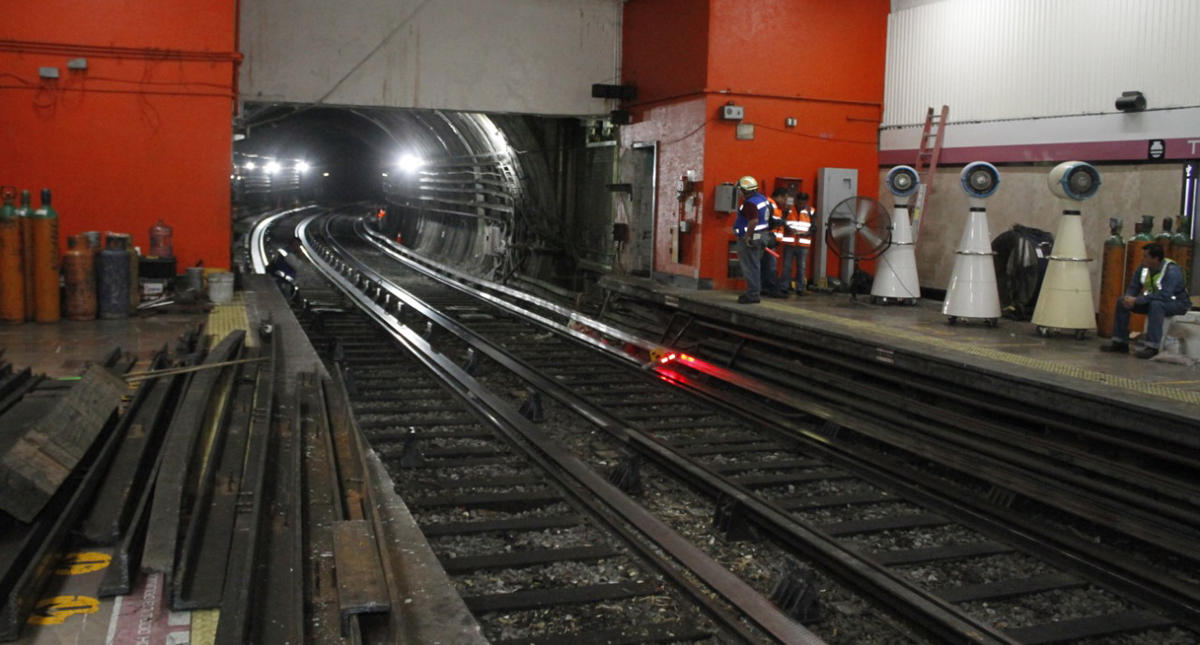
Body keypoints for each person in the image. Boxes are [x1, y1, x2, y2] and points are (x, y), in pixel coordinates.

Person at [1100, 242, 1192, 359]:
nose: (1142, 259)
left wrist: (1137, 300)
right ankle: (1120, 342)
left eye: (1145, 256)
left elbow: (1165, 295)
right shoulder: (1143, 268)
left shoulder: (1172, 271)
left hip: (1178, 304)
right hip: (1154, 301)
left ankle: (1152, 347)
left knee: (1156, 305)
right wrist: (1129, 299)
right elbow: (1134, 287)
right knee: (1121, 302)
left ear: (1155, 258)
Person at [733, 176, 772, 304]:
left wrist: (747, 236)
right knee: (755, 266)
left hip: (753, 237)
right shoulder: (762, 199)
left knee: (750, 267)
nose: (738, 192)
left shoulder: (750, 203)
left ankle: (753, 294)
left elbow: (753, 220)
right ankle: (754, 292)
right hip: (761, 236)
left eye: (740, 189)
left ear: (745, 190)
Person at [778, 190, 813, 295]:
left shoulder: (811, 211)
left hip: (803, 244)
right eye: (800, 203)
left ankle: (800, 288)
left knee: (801, 267)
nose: (801, 205)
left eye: (803, 203)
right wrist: (787, 229)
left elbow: (814, 227)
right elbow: (782, 222)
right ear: (796, 201)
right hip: (790, 243)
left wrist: (807, 233)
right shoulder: (788, 210)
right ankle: (784, 287)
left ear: (806, 202)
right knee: (787, 266)